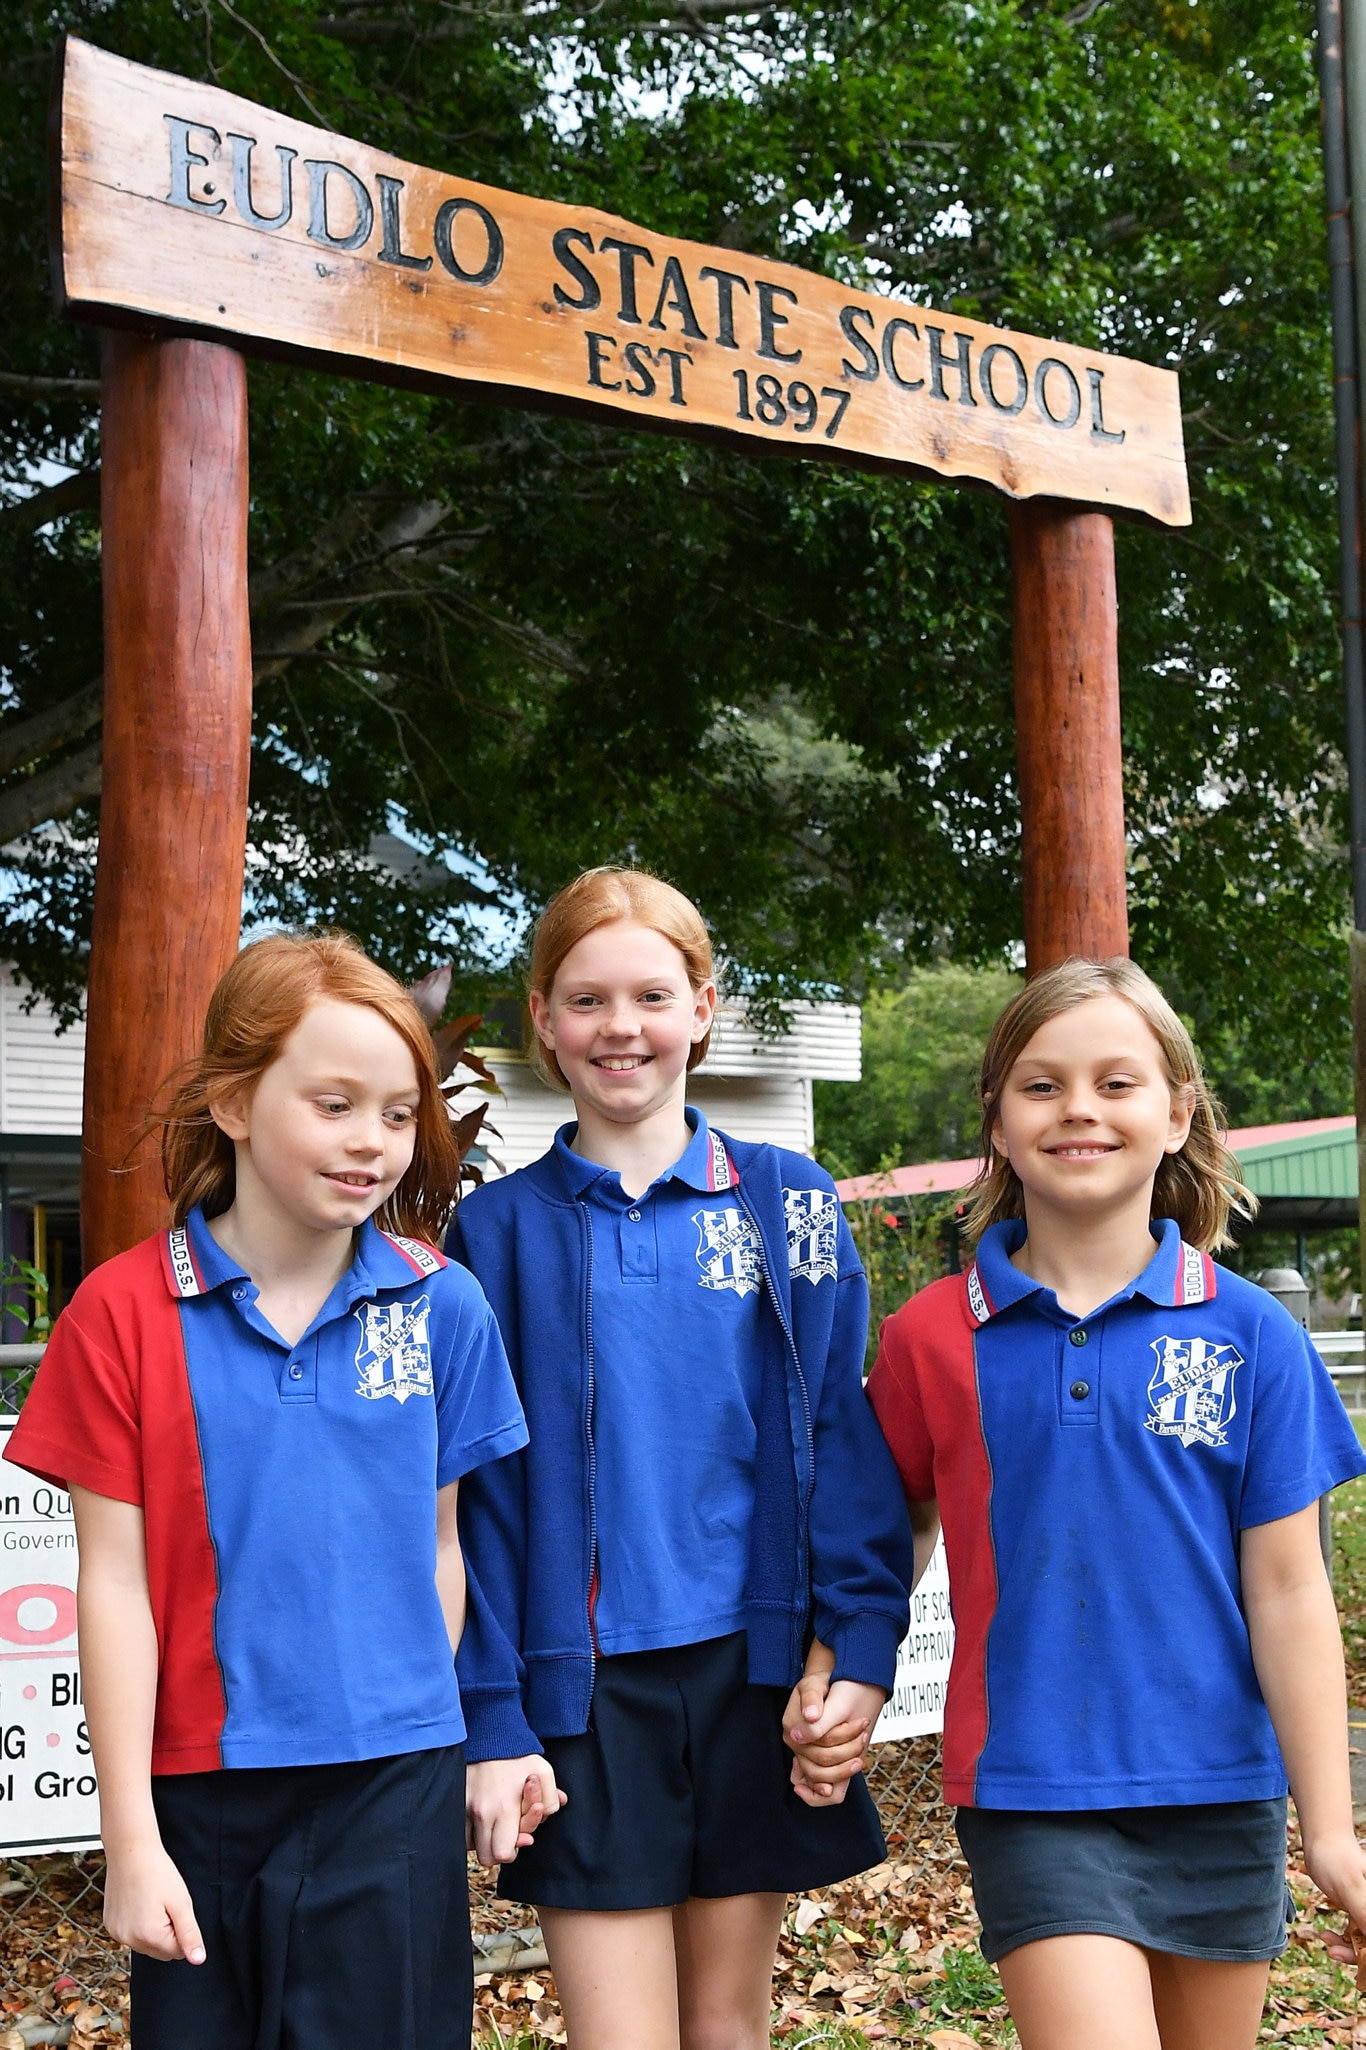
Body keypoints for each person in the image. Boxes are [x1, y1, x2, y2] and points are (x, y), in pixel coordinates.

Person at [3, 932, 533, 2050]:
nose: (373, 1143)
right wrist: (131, 1840)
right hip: (200, 1796)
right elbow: (112, 1587)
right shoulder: (121, 1312)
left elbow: (443, 1550)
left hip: (394, 1783)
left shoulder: (445, 1307)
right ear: (235, 1103)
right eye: (334, 1103)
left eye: (398, 1113)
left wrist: (417, 1724)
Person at [449, 867, 915, 2050]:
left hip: (749, 1674)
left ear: (703, 1006)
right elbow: (477, 1508)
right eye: (587, 999)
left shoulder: (789, 1202)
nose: (622, 1028)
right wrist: (495, 1712)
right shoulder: (492, 1233)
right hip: (583, 1691)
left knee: (727, 2027)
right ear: (543, 1018)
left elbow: (839, 1438)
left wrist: (857, 1644)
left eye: (652, 994)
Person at [864, 956, 1366, 2050]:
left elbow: (1286, 1588)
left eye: (1116, 1082)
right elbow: (883, 1536)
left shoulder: (1253, 1337)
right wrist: (840, 1673)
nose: (1078, 1108)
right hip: (1033, 1787)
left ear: (1178, 1110)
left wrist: (1329, 1830)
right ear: (995, 1119)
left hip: (1221, 1791)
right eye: (1040, 1085)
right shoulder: (926, 1339)